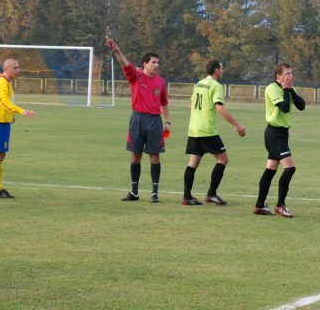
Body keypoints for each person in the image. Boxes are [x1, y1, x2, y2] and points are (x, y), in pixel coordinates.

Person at [107, 39, 170, 203]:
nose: (156, 65)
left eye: (158, 63)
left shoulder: (161, 81)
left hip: (155, 121)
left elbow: (164, 103)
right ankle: (134, 192)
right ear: (145, 64)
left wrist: (167, 121)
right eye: (153, 62)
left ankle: (154, 193)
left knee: (155, 157)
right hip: (137, 119)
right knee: (136, 156)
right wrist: (117, 51)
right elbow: (125, 63)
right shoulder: (136, 76)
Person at [182, 59, 245, 206]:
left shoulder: (199, 84)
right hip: (207, 130)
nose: (223, 71)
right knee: (223, 159)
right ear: (216, 70)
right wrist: (236, 124)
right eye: (222, 68)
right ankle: (211, 194)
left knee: (193, 162)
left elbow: (191, 106)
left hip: (193, 128)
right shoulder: (215, 86)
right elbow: (220, 108)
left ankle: (187, 197)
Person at [253, 63, 305, 218]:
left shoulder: (289, 88)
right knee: (290, 168)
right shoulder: (272, 88)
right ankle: (280, 205)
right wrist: (286, 89)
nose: (291, 76)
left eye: (292, 73)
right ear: (279, 76)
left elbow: (301, 106)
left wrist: (289, 89)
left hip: (282, 133)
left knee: (270, 169)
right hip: (274, 133)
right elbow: (284, 107)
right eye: (287, 73)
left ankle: (259, 205)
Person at [0, 59, 36, 198]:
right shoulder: (2, 81)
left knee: (1, 155)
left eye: (18, 67)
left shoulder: (5, 82)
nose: (18, 70)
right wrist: (21, 111)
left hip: (2, 121)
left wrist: (10, 115)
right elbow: (3, 101)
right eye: (15, 67)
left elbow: (0, 101)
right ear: (6, 69)